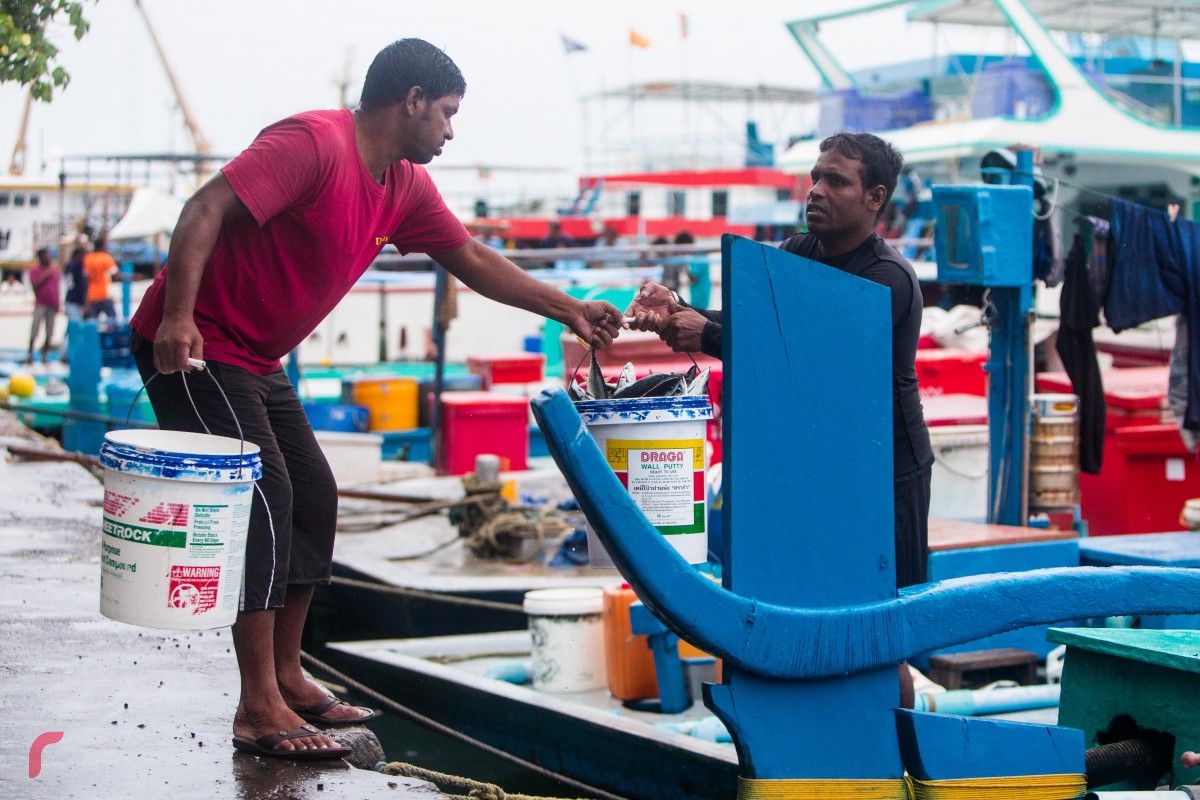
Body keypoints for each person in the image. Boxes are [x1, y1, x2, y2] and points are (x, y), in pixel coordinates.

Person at [128, 38, 622, 761]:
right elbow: (204, 208)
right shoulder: (314, 144)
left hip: (256, 357)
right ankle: (257, 705)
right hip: (197, 345)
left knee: (316, 494)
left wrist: (568, 308)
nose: (452, 131)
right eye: (447, 113)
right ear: (412, 100)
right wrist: (176, 318)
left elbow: (475, 260)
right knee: (263, 497)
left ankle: (290, 673)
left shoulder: (404, 186)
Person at [626, 132, 933, 706]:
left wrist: (709, 333)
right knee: (812, 603)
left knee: (880, 629)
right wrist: (680, 311)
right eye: (815, 177)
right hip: (823, 462)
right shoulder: (797, 253)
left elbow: (814, 349)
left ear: (875, 197)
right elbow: (757, 322)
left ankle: (894, 754)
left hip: (886, 471)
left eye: (836, 181)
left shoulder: (886, 279)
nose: (815, 190)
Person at [26, 248, 61, 364]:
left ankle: (44, 357)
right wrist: (45, 275)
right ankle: (30, 355)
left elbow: (57, 287)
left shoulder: (54, 270)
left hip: (52, 304)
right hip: (40, 303)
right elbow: (34, 285)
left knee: (50, 332)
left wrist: (58, 303)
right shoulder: (34, 270)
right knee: (35, 330)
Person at [59, 244, 88, 361]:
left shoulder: (69, 265)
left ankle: (65, 352)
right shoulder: (79, 264)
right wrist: (86, 303)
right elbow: (83, 284)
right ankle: (65, 354)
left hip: (69, 299)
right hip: (75, 301)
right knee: (75, 328)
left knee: (70, 327)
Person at [83, 236, 118, 320]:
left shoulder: (88, 258)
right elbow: (115, 274)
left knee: (92, 322)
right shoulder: (106, 257)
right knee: (112, 320)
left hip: (92, 295)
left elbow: (85, 278)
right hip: (104, 294)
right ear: (103, 246)